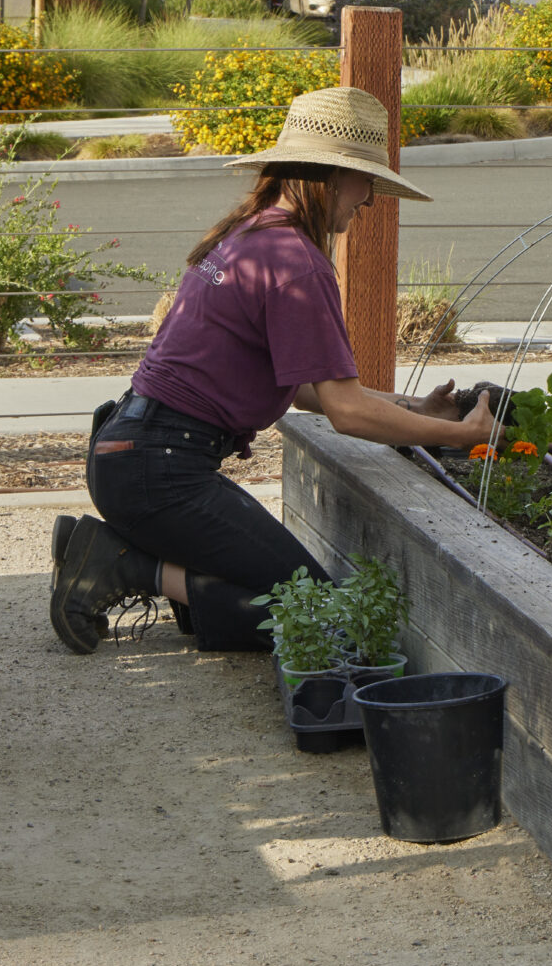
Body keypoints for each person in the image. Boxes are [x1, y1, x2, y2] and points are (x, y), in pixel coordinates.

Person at [48, 86, 495, 655]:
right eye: (366, 183)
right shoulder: (296, 264)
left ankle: (117, 557)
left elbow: (305, 385)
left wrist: (412, 409)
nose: (368, 201)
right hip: (158, 473)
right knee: (330, 619)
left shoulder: (252, 232)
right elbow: (347, 412)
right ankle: (123, 565)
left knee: (291, 595)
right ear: (332, 177)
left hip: (133, 454)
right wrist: (460, 433)